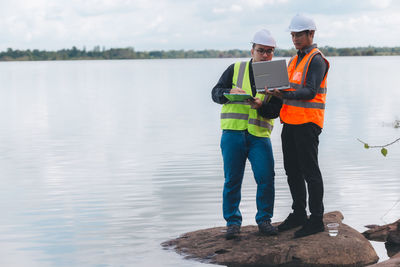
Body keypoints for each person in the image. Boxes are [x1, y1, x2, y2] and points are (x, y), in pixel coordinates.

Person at [212, 29, 283, 239]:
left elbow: (275, 111)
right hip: (232, 133)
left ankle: (264, 220)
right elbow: (215, 93)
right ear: (252, 50)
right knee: (232, 179)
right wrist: (228, 93)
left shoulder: (276, 76)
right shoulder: (235, 69)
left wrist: (261, 105)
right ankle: (233, 223)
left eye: (270, 51)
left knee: (266, 178)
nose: (265, 55)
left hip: (259, 135)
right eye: (261, 50)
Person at [267, 14, 330, 238]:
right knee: (292, 170)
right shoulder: (294, 61)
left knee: (310, 172)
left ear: (311, 34)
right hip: (291, 123)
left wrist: (284, 93)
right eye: (292, 35)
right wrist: (270, 91)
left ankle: (316, 219)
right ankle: (299, 213)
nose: (294, 38)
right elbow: (287, 89)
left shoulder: (316, 59)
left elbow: (311, 91)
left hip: (308, 123)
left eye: (298, 34)